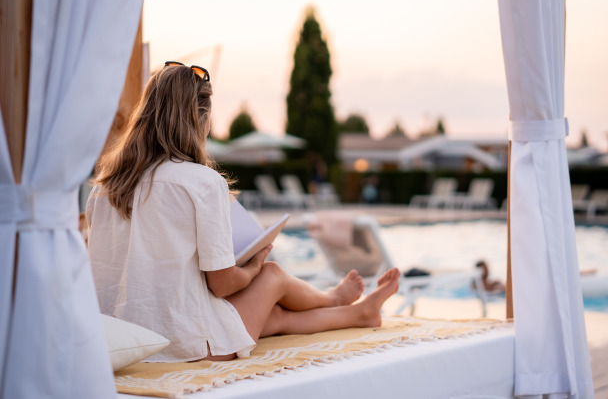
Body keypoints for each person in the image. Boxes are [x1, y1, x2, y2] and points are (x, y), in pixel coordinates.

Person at [86, 62, 400, 363]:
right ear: (199, 121)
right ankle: (333, 299)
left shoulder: (104, 187)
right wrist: (253, 265)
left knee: (273, 317)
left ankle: (358, 313)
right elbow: (222, 285)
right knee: (273, 276)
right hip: (184, 344)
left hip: (123, 342)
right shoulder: (202, 183)